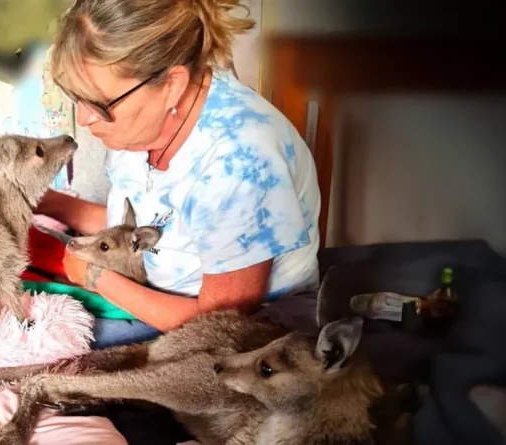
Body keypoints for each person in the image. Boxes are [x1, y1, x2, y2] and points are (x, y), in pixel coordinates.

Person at [18, 0, 321, 349]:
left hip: (236, 331)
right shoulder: (140, 125)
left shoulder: (239, 162)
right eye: (76, 97)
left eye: (98, 104)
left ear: (172, 85)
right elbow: (160, 229)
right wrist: (52, 203)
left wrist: (95, 276)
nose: (84, 119)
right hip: (153, 294)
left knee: (37, 344)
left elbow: (219, 323)